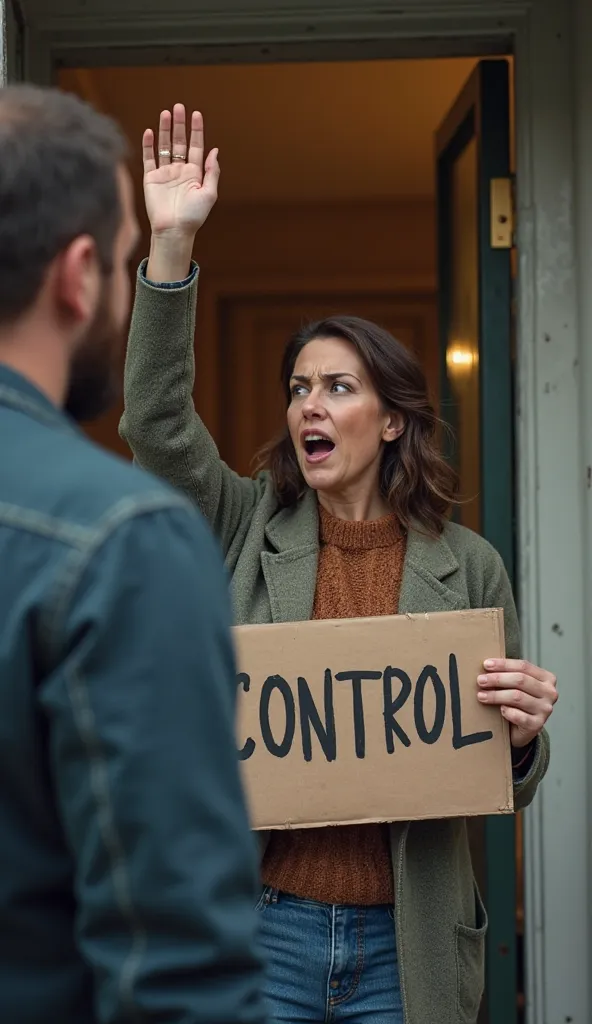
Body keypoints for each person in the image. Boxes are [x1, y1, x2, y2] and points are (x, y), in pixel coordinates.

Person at [120, 103, 558, 1024]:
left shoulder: (468, 567)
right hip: (265, 932)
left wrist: (521, 736)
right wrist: (169, 246)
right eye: (297, 389)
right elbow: (156, 425)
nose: (308, 406)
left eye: (336, 387)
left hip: (408, 943)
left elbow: (501, 779)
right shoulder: (244, 523)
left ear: (389, 418)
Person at [0, 86, 266, 1024]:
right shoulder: (121, 540)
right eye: (123, 262)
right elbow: (175, 963)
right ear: (80, 277)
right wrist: (176, 249)